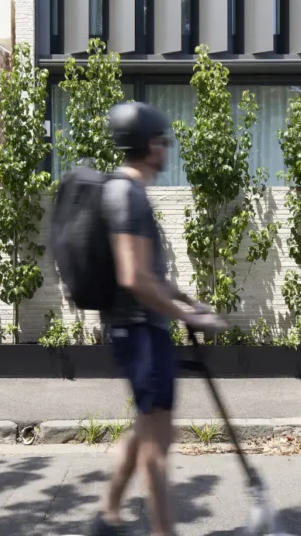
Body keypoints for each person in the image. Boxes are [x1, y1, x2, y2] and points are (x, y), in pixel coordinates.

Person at [91, 102, 226, 536]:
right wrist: (188, 316)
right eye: (163, 141)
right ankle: (163, 531)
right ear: (149, 145)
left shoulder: (124, 191)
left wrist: (187, 299)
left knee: (146, 426)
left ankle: (108, 513)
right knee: (158, 439)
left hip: (140, 328)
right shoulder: (127, 194)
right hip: (140, 331)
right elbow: (134, 277)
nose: (167, 149)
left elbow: (150, 274)